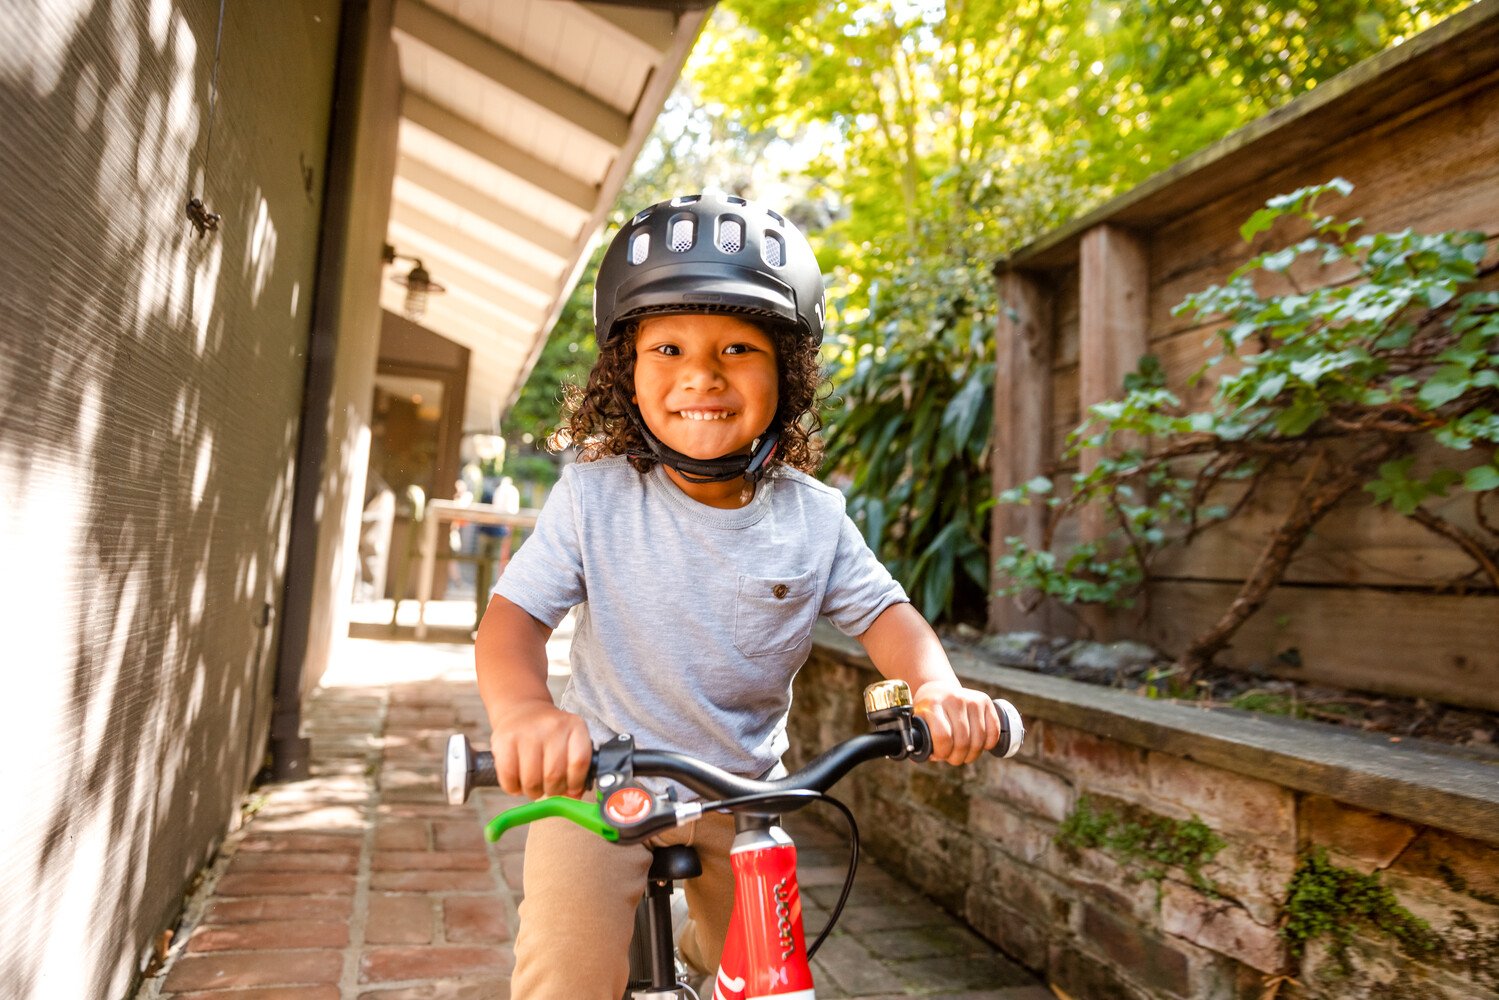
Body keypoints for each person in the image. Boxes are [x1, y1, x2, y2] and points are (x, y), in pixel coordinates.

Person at [473, 192, 1001, 999]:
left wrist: (934, 687)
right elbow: (512, 620)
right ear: (626, 371)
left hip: (745, 798)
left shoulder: (814, 518)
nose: (701, 376)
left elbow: (888, 616)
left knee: (765, 983)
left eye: (738, 350)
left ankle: (699, 949)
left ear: (785, 375)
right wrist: (524, 715)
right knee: (566, 973)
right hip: (601, 787)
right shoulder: (593, 496)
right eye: (668, 348)